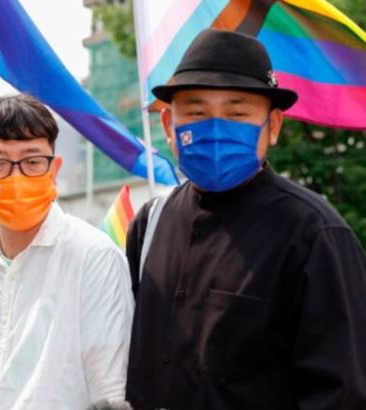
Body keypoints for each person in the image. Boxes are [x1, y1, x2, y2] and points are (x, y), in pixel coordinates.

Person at [125, 29, 366, 410]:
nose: (216, 129)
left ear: (273, 127)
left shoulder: (314, 234)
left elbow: (340, 394)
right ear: (170, 126)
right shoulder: (150, 223)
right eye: (197, 112)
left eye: (237, 114)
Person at [0, 94, 134, 409]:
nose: (16, 177)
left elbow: (110, 389)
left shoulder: (92, 255)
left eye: (32, 161)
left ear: (54, 168)